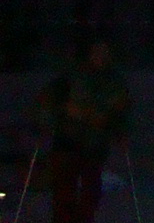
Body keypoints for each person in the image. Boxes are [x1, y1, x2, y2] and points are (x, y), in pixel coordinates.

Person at [33, 37, 131, 223]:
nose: (101, 56)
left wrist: (121, 132)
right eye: (97, 51)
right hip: (68, 140)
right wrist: (46, 123)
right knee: (64, 192)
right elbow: (49, 100)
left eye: (104, 52)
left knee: (91, 193)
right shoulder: (72, 75)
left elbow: (121, 110)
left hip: (95, 143)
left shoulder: (114, 80)